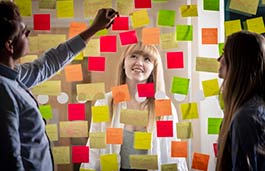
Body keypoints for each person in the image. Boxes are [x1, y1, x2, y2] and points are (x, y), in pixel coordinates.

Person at [0, 1, 118, 171]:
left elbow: (49, 62)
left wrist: (93, 29)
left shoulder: (13, 77)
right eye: (24, 31)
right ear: (9, 45)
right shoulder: (3, 89)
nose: (29, 32)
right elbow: (9, 158)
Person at [80, 42, 188, 171]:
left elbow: (173, 153)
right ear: (123, 64)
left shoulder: (163, 105)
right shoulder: (105, 102)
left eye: (147, 59)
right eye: (134, 56)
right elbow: (94, 149)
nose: (139, 63)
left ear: (154, 68)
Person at [216, 31, 265, 171]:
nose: (219, 59)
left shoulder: (246, 117)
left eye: (224, 52)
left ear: (238, 61)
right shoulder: (249, 110)